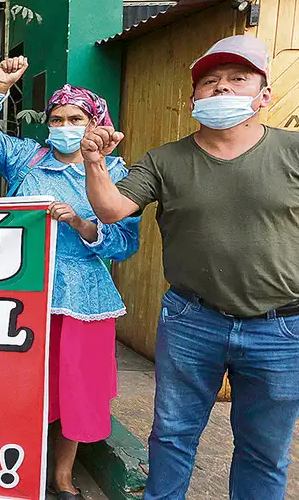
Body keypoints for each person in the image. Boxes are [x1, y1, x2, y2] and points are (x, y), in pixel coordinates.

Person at [81, 35, 299, 500]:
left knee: (265, 451)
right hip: (192, 320)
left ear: (264, 95)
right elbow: (112, 209)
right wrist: (94, 162)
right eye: (210, 81)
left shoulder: (293, 151)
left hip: (282, 327)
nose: (222, 88)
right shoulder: (165, 160)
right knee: (172, 437)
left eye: (238, 78)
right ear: (192, 99)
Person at [0, 56, 140, 499]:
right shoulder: (26, 158)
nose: (64, 127)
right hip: (23, 291)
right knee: (20, 384)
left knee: (76, 389)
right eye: (56, 119)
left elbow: (124, 243)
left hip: (84, 296)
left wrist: (81, 223)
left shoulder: (116, 173)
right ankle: (17, 466)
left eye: (75, 119)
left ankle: (61, 475)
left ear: (95, 123)